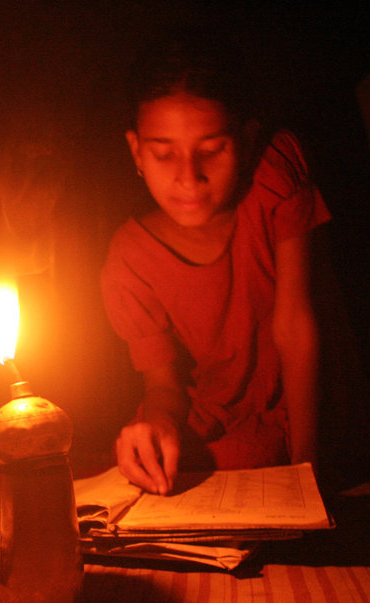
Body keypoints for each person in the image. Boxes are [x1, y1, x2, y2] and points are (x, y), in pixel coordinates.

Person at [101, 30, 330, 495]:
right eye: (164, 154)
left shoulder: (272, 175)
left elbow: (295, 325)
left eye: (211, 150)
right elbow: (163, 385)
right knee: (140, 457)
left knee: (241, 465)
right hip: (216, 416)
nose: (189, 178)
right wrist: (160, 426)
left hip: (300, 405)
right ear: (136, 152)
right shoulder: (130, 257)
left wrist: (305, 476)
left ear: (244, 139)